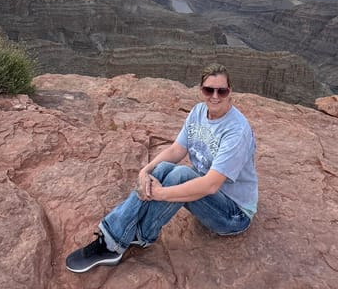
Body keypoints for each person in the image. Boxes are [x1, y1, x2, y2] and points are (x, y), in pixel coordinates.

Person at [65, 63, 258, 273]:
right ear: (200, 89)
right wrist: (144, 172)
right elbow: (177, 149)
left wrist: (161, 193)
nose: (215, 96)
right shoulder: (198, 112)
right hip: (210, 197)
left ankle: (125, 239)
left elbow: (211, 185)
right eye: (208, 90)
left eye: (222, 90)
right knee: (164, 167)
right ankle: (117, 236)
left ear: (230, 91)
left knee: (182, 174)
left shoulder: (236, 131)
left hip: (233, 214)